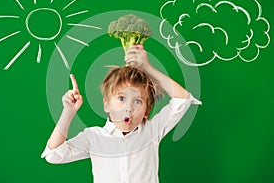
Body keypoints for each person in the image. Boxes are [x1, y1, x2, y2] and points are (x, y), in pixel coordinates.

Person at [41, 44, 201, 183]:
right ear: (106, 104)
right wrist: (68, 113)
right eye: (121, 98)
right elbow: (54, 155)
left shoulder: (152, 131)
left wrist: (147, 68)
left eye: (137, 101)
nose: (128, 108)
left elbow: (182, 99)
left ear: (147, 111)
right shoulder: (93, 137)